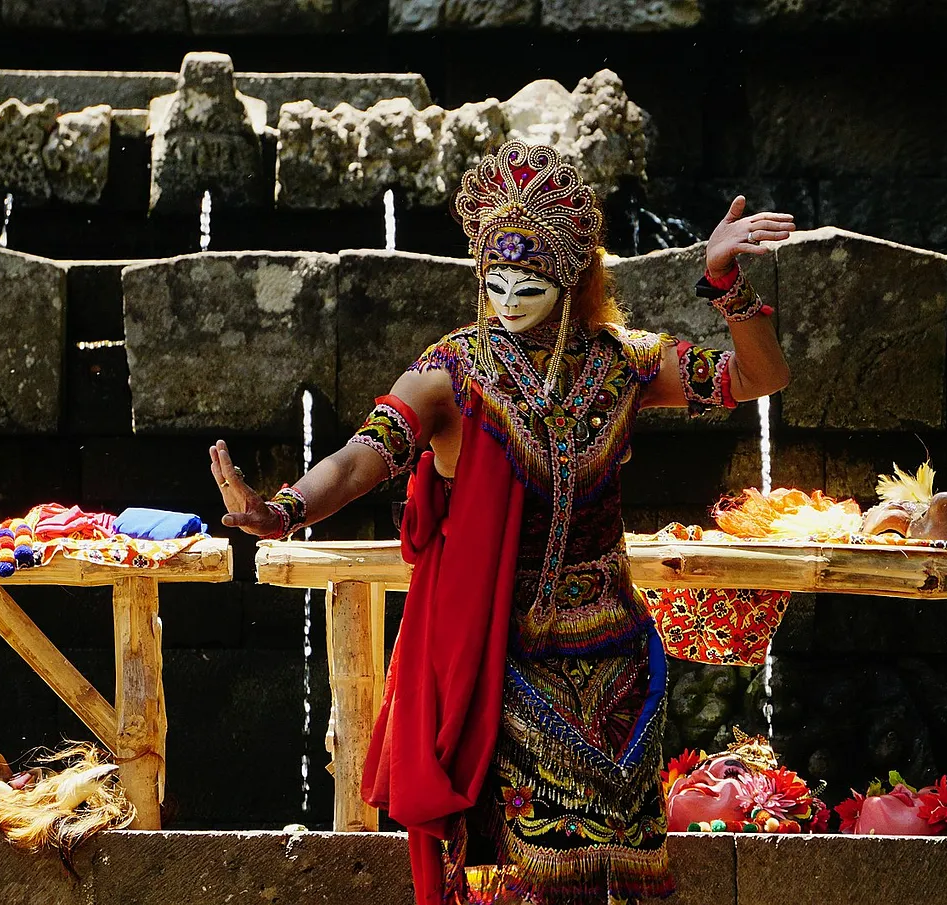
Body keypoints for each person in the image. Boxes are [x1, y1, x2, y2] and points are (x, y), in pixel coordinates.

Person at [210, 140, 793, 905]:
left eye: (531, 282)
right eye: (496, 281)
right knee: (515, 879)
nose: (510, 298)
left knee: (621, 878)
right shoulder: (454, 369)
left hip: (616, 659)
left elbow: (759, 376)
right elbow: (363, 456)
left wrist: (723, 282)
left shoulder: (623, 363)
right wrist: (284, 508)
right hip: (502, 658)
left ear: (574, 279)